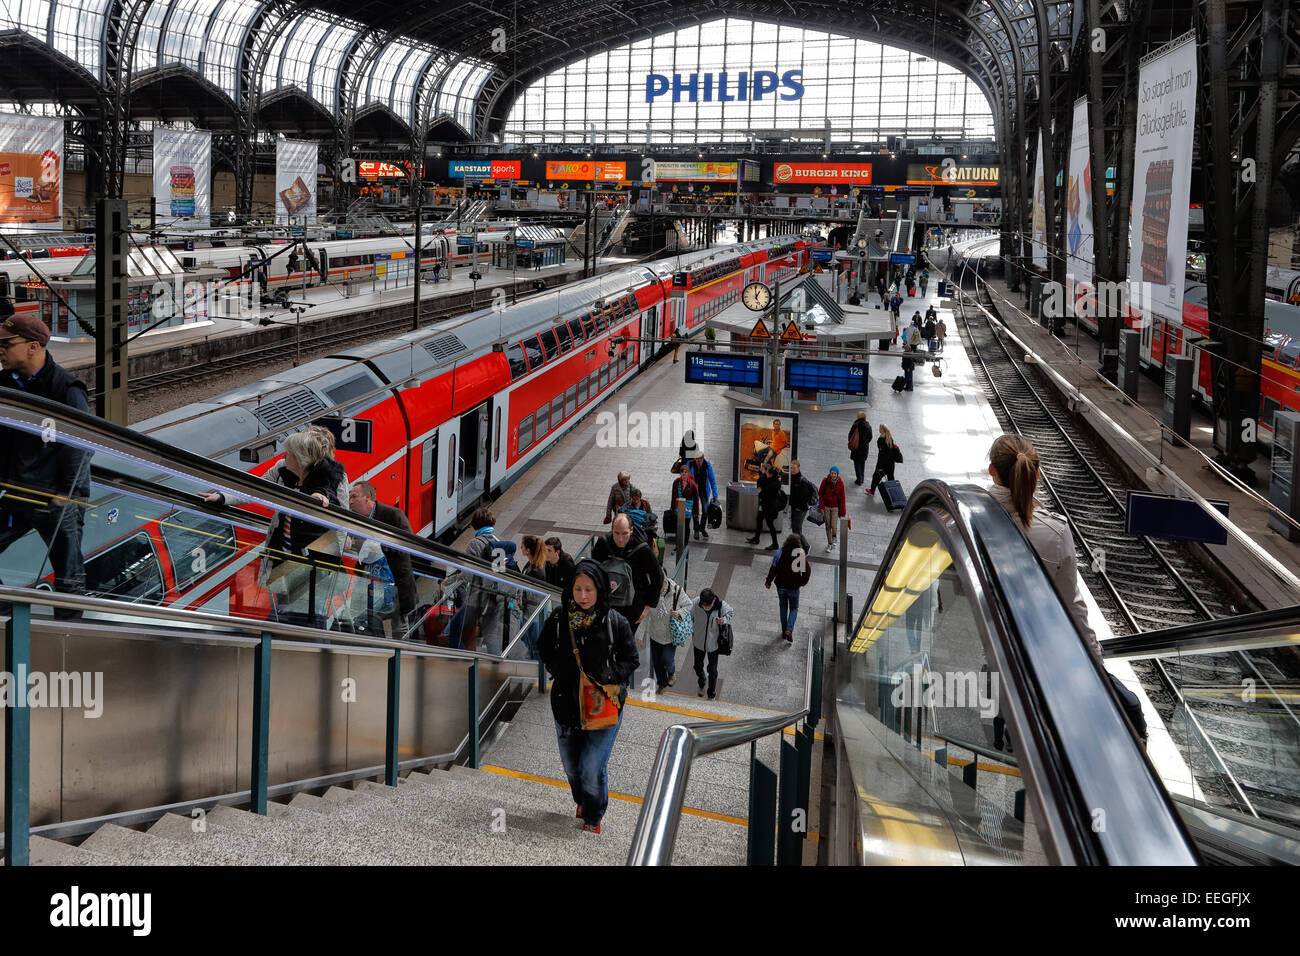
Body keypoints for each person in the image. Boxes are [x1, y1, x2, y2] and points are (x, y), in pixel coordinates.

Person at [984, 435, 1147, 743]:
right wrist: (1095, 665)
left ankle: (1002, 733)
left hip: (996, 639)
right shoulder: (1054, 532)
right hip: (1040, 652)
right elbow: (1073, 607)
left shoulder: (973, 514)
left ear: (993, 472)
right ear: (1038, 474)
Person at [536, 559, 639, 833]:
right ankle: (582, 799)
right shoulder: (559, 619)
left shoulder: (614, 623)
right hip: (566, 706)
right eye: (577, 589)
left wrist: (607, 675)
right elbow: (543, 646)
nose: (582, 596)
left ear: (600, 590)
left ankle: (593, 817)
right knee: (572, 769)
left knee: (592, 769)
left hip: (601, 706)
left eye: (589, 590)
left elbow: (631, 659)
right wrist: (557, 668)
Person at [0, 310, 89, 616]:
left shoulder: (66, 388)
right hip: (16, 492)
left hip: (55, 498)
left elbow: (79, 443)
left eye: (6, 344)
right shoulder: (6, 384)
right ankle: (8, 613)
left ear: (32, 346)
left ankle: (68, 636)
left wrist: (65, 493)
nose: (0, 350)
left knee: (69, 576)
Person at [348, 480, 417, 637]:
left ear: (368, 497)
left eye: (354, 496)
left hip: (396, 581)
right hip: (370, 582)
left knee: (399, 624)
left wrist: (379, 547)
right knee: (370, 621)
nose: (350, 501)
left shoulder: (393, 515)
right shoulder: (357, 519)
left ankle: (399, 657)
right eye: (350, 497)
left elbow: (409, 544)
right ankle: (379, 654)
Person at [592, 514, 663, 627]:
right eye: (617, 533)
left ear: (631, 530)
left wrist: (648, 605)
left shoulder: (642, 548)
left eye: (625, 534)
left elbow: (657, 575)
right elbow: (593, 571)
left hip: (634, 605)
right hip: (608, 602)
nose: (620, 539)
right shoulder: (603, 543)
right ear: (611, 530)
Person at [639, 573, 692, 693]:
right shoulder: (651, 593)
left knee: (667, 659)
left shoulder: (676, 590)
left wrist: (679, 613)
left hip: (669, 634)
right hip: (655, 633)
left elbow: (689, 604)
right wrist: (639, 634)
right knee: (657, 662)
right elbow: (645, 615)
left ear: (664, 582)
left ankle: (672, 673)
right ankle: (662, 684)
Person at [766, 533, 812, 643]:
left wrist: (768, 581)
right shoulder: (799, 554)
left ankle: (784, 631)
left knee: (783, 607)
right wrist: (802, 582)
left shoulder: (780, 552)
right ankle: (789, 630)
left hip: (781, 586)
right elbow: (807, 571)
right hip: (794, 587)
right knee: (794, 608)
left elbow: (773, 569)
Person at [690, 587, 733, 699]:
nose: (706, 608)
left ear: (713, 600)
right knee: (697, 666)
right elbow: (687, 614)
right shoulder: (695, 603)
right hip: (698, 642)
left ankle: (711, 694)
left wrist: (723, 620)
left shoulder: (721, 605)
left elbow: (730, 612)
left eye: (708, 606)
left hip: (714, 644)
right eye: (704, 606)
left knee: (712, 670)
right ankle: (702, 680)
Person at [519, 534, 549, 659]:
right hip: (529, 613)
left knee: (535, 645)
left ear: (528, 550)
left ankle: (536, 670)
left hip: (534, 614)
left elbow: (532, 595)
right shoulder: (530, 565)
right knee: (527, 640)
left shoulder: (536, 571)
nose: (520, 548)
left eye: (522, 546)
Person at [685, 448, 718, 541]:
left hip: (703, 491)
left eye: (699, 460)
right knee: (695, 511)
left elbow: (713, 482)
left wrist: (715, 495)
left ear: (703, 459)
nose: (698, 462)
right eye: (696, 460)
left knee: (705, 510)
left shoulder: (707, 466)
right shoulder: (690, 464)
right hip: (693, 491)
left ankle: (702, 528)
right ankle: (696, 529)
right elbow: (684, 476)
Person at [748, 461, 782, 551]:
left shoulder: (773, 484)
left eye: (765, 472)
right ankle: (756, 538)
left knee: (770, 524)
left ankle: (775, 544)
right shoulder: (772, 480)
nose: (764, 473)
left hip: (770, 507)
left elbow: (762, 492)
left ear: (769, 474)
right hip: (764, 505)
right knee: (759, 519)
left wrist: (761, 490)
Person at [818, 465, 847, 553]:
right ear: (830, 473)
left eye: (835, 473)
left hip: (835, 507)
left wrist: (843, 511)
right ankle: (830, 543)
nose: (833, 475)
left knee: (834, 526)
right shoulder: (825, 481)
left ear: (837, 474)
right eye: (832, 473)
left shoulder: (840, 483)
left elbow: (843, 498)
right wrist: (822, 507)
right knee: (828, 526)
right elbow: (820, 494)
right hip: (826, 506)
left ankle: (834, 537)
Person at [868, 425, 900, 498]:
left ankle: (872, 491)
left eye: (879, 428)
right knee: (891, 479)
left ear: (882, 430)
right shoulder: (890, 438)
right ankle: (894, 495)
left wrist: (879, 466)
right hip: (891, 464)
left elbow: (882, 455)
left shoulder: (881, 439)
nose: (879, 429)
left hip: (883, 464)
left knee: (876, 477)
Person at [847, 411, 872, 485]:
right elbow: (870, 437)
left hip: (857, 448)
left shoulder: (856, 425)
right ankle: (862, 478)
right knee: (862, 463)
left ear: (858, 417)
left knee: (857, 464)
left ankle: (859, 480)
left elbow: (850, 436)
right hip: (864, 448)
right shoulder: (868, 425)